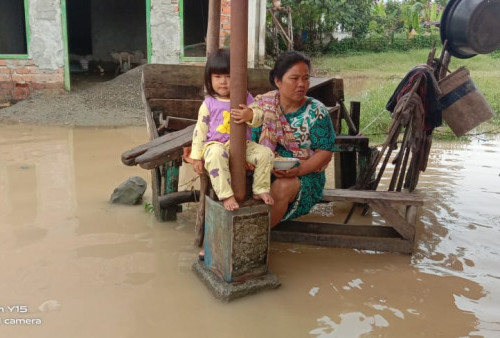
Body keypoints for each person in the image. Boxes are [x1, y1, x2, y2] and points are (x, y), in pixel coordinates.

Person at [248, 51, 337, 227]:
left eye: (305, 78)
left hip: (305, 175)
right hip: (262, 169)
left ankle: (253, 238)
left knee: (282, 187)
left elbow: (325, 152)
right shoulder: (261, 105)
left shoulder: (316, 111)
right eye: (294, 78)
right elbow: (245, 138)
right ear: (278, 81)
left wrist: (299, 170)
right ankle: (221, 236)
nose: (301, 84)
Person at [190, 49, 275, 211]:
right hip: (215, 144)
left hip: (243, 145)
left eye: (229, 77)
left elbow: (259, 116)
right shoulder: (209, 104)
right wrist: (196, 158)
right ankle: (226, 194)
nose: (223, 81)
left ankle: (260, 189)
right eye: (218, 77)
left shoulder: (245, 97)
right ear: (209, 79)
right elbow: (199, 131)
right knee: (215, 154)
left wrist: (249, 114)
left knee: (266, 153)